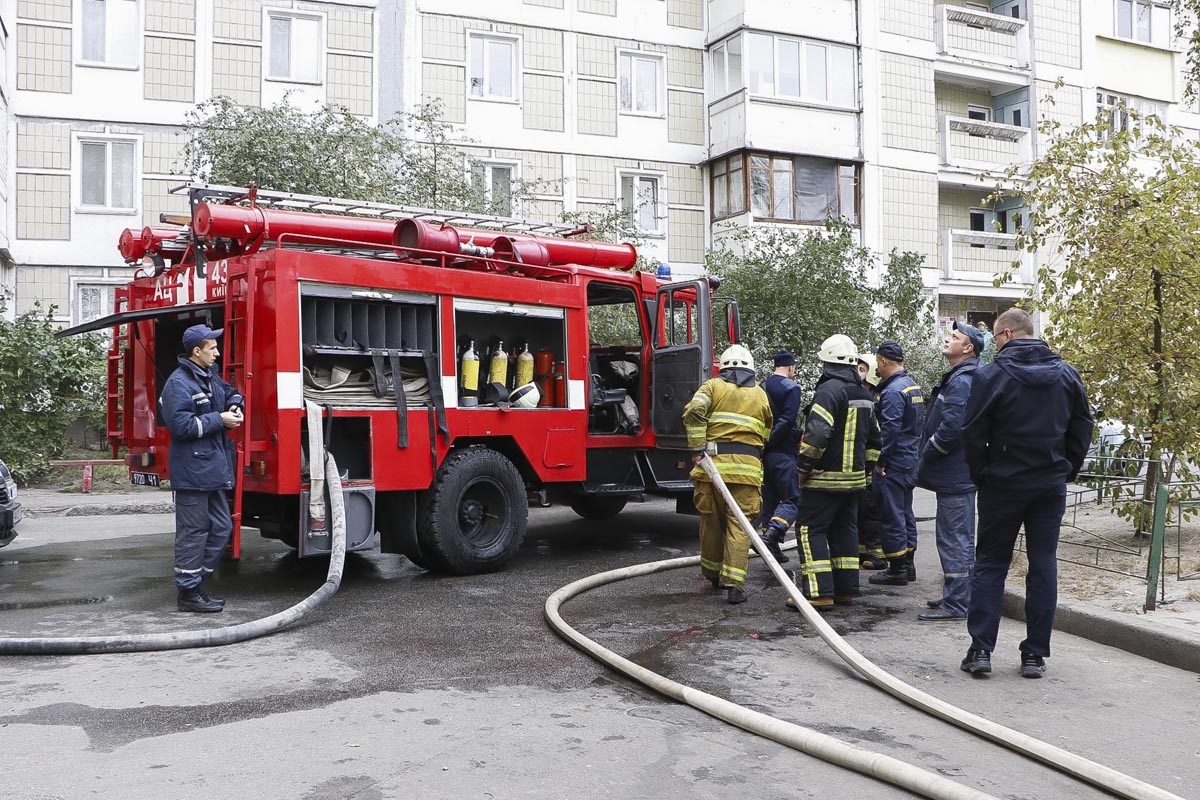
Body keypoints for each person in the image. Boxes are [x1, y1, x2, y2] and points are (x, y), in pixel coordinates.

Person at [959, 308, 1093, 678]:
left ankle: (981, 650)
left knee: (989, 564)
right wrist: (1066, 468)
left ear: (1004, 335)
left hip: (1002, 483)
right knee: (1043, 564)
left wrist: (982, 474)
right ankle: (1034, 655)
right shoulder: (1066, 374)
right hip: (1048, 483)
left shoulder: (991, 375)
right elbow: (1082, 427)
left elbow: (971, 431)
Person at [786, 335, 880, 609]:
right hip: (854, 482)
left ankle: (817, 593)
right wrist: (866, 474)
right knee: (844, 531)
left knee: (808, 530)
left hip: (823, 479)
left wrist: (803, 468)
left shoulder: (829, 391)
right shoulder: (864, 394)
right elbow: (876, 441)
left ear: (826, 362)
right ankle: (846, 590)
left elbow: (816, 434)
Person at [159, 324, 244, 613]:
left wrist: (234, 405)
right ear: (197, 351)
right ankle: (188, 593)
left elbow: (229, 391)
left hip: (211, 471)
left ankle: (197, 581)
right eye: (213, 348)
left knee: (222, 527)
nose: (218, 353)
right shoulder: (178, 384)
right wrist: (220, 420)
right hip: (192, 473)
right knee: (193, 532)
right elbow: (181, 426)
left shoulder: (208, 378)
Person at [684, 344, 772, 605]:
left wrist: (697, 447)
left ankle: (712, 574)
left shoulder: (712, 387)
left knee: (711, 521)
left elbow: (693, 411)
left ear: (723, 366)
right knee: (740, 524)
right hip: (747, 470)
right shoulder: (760, 394)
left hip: (713, 467)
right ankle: (735, 586)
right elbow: (767, 428)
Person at [915, 321, 982, 621]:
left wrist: (928, 453)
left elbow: (951, 428)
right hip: (957, 476)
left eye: (954, 337)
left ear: (967, 348)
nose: (947, 339)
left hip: (957, 477)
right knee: (955, 537)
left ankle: (957, 603)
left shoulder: (962, 379)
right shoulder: (961, 376)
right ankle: (957, 597)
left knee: (955, 538)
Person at [868, 340, 925, 587]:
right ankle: (908, 564)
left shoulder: (891, 392)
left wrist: (881, 460)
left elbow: (889, 430)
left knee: (891, 514)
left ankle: (897, 568)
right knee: (905, 511)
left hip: (895, 461)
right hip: (910, 459)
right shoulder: (912, 386)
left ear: (882, 361)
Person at [757, 350, 802, 564]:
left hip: (765, 455)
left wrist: (763, 445)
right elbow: (787, 420)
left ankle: (770, 547)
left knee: (771, 498)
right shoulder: (792, 388)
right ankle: (772, 534)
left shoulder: (762, 387)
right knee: (793, 498)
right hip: (783, 452)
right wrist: (772, 441)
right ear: (791, 366)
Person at [856, 353, 887, 570]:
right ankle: (861, 550)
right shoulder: (860, 395)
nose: (857, 371)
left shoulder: (876, 397)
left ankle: (877, 554)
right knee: (860, 509)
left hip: (872, 463)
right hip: (860, 463)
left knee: (870, 508)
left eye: (862, 368)